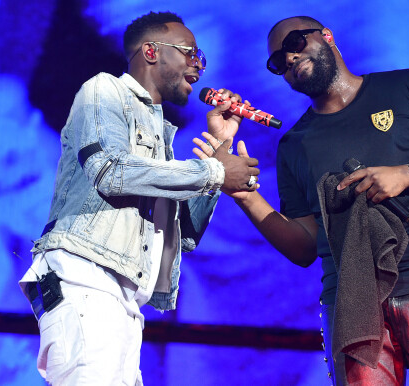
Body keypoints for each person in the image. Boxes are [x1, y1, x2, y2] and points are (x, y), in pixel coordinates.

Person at [195, 16, 409, 385]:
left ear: (327, 36)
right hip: (351, 303)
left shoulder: (405, 87)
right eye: (276, 62)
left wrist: (407, 173)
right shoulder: (294, 145)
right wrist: (245, 195)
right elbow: (304, 247)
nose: (288, 59)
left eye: (296, 43)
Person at [19, 11, 259, 385]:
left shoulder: (160, 133)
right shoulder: (103, 90)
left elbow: (185, 237)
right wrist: (214, 173)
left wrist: (220, 153)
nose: (199, 65)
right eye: (190, 52)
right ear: (151, 52)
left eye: (201, 57)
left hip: (124, 301)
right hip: (86, 280)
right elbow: (109, 171)